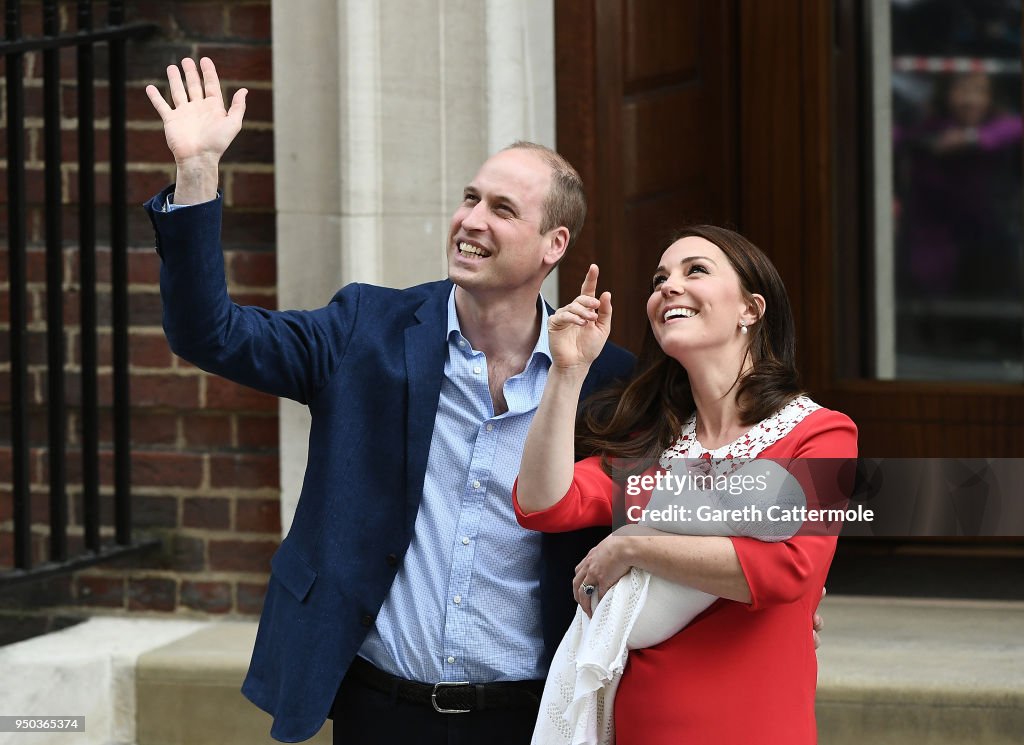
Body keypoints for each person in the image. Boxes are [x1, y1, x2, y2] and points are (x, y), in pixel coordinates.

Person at [142, 57, 635, 744]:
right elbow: (210, 333)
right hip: (381, 710)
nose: (471, 220)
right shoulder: (364, 330)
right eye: (470, 197)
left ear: (555, 244)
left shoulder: (607, 380)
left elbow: (670, 513)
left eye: (502, 208)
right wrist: (197, 172)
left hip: (530, 717)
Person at [514, 225, 858, 744]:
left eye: (694, 270)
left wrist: (633, 544)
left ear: (751, 309)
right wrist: (567, 371)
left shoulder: (825, 432)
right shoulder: (653, 446)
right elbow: (544, 504)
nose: (667, 286)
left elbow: (789, 569)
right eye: (660, 278)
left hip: (756, 728)